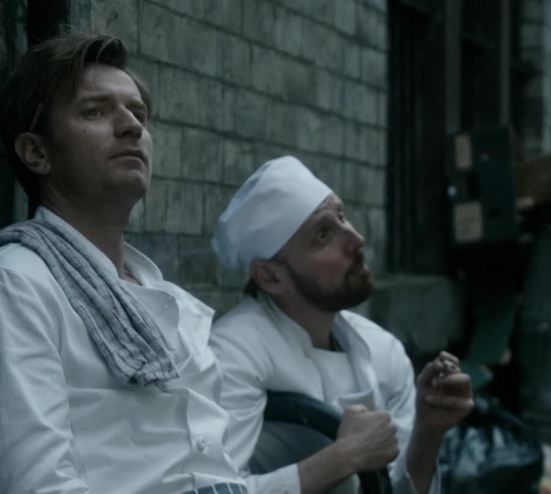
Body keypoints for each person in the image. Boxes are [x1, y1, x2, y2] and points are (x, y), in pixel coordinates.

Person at [0, 33, 266, 493]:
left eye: (138, 114)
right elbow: (41, 486)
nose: (131, 127)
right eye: (94, 111)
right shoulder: (18, 284)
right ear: (37, 152)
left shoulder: (173, 303)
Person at [209, 155, 474, 494]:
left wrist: (428, 431)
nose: (356, 238)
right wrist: (343, 458)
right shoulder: (233, 354)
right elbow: (216, 489)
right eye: (323, 234)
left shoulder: (383, 350)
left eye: (342, 217)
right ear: (271, 277)